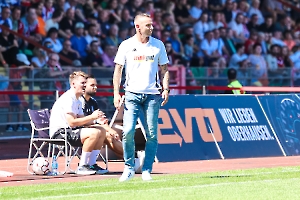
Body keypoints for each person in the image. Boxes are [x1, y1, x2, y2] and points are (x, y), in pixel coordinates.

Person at [113, 13, 170, 182]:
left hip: (152, 95)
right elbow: (118, 71)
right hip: (131, 94)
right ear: (137, 27)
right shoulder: (126, 45)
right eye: (148, 25)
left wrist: (166, 88)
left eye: (151, 25)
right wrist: (116, 93)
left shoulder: (158, 45)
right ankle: (129, 168)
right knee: (128, 131)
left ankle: (147, 169)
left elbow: (164, 69)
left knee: (152, 134)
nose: (151, 28)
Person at [79, 75, 146, 170]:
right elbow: (84, 121)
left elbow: (100, 120)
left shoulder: (93, 102)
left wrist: (110, 130)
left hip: (94, 130)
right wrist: (106, 128)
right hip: (81, 131)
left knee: (110, 136)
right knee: (107, 136)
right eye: (92, 85)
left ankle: (133, 160)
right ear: (84, 86)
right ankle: (134, 158)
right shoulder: (80, 101)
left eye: (96, 85)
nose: (95, 87)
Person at [49, 71, 108, 175]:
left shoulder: (78, 100)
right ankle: (82, 166)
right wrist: (92, 116)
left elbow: (82, 120)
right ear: (73, 84)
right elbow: (72, 122)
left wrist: (96, 121)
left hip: (70, 131)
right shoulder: (69, 98)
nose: (85, 85)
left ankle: (92, 164)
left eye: (86, 83)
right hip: (60, 133)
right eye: (82, 83)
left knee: (101, 131)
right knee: (93, 133)